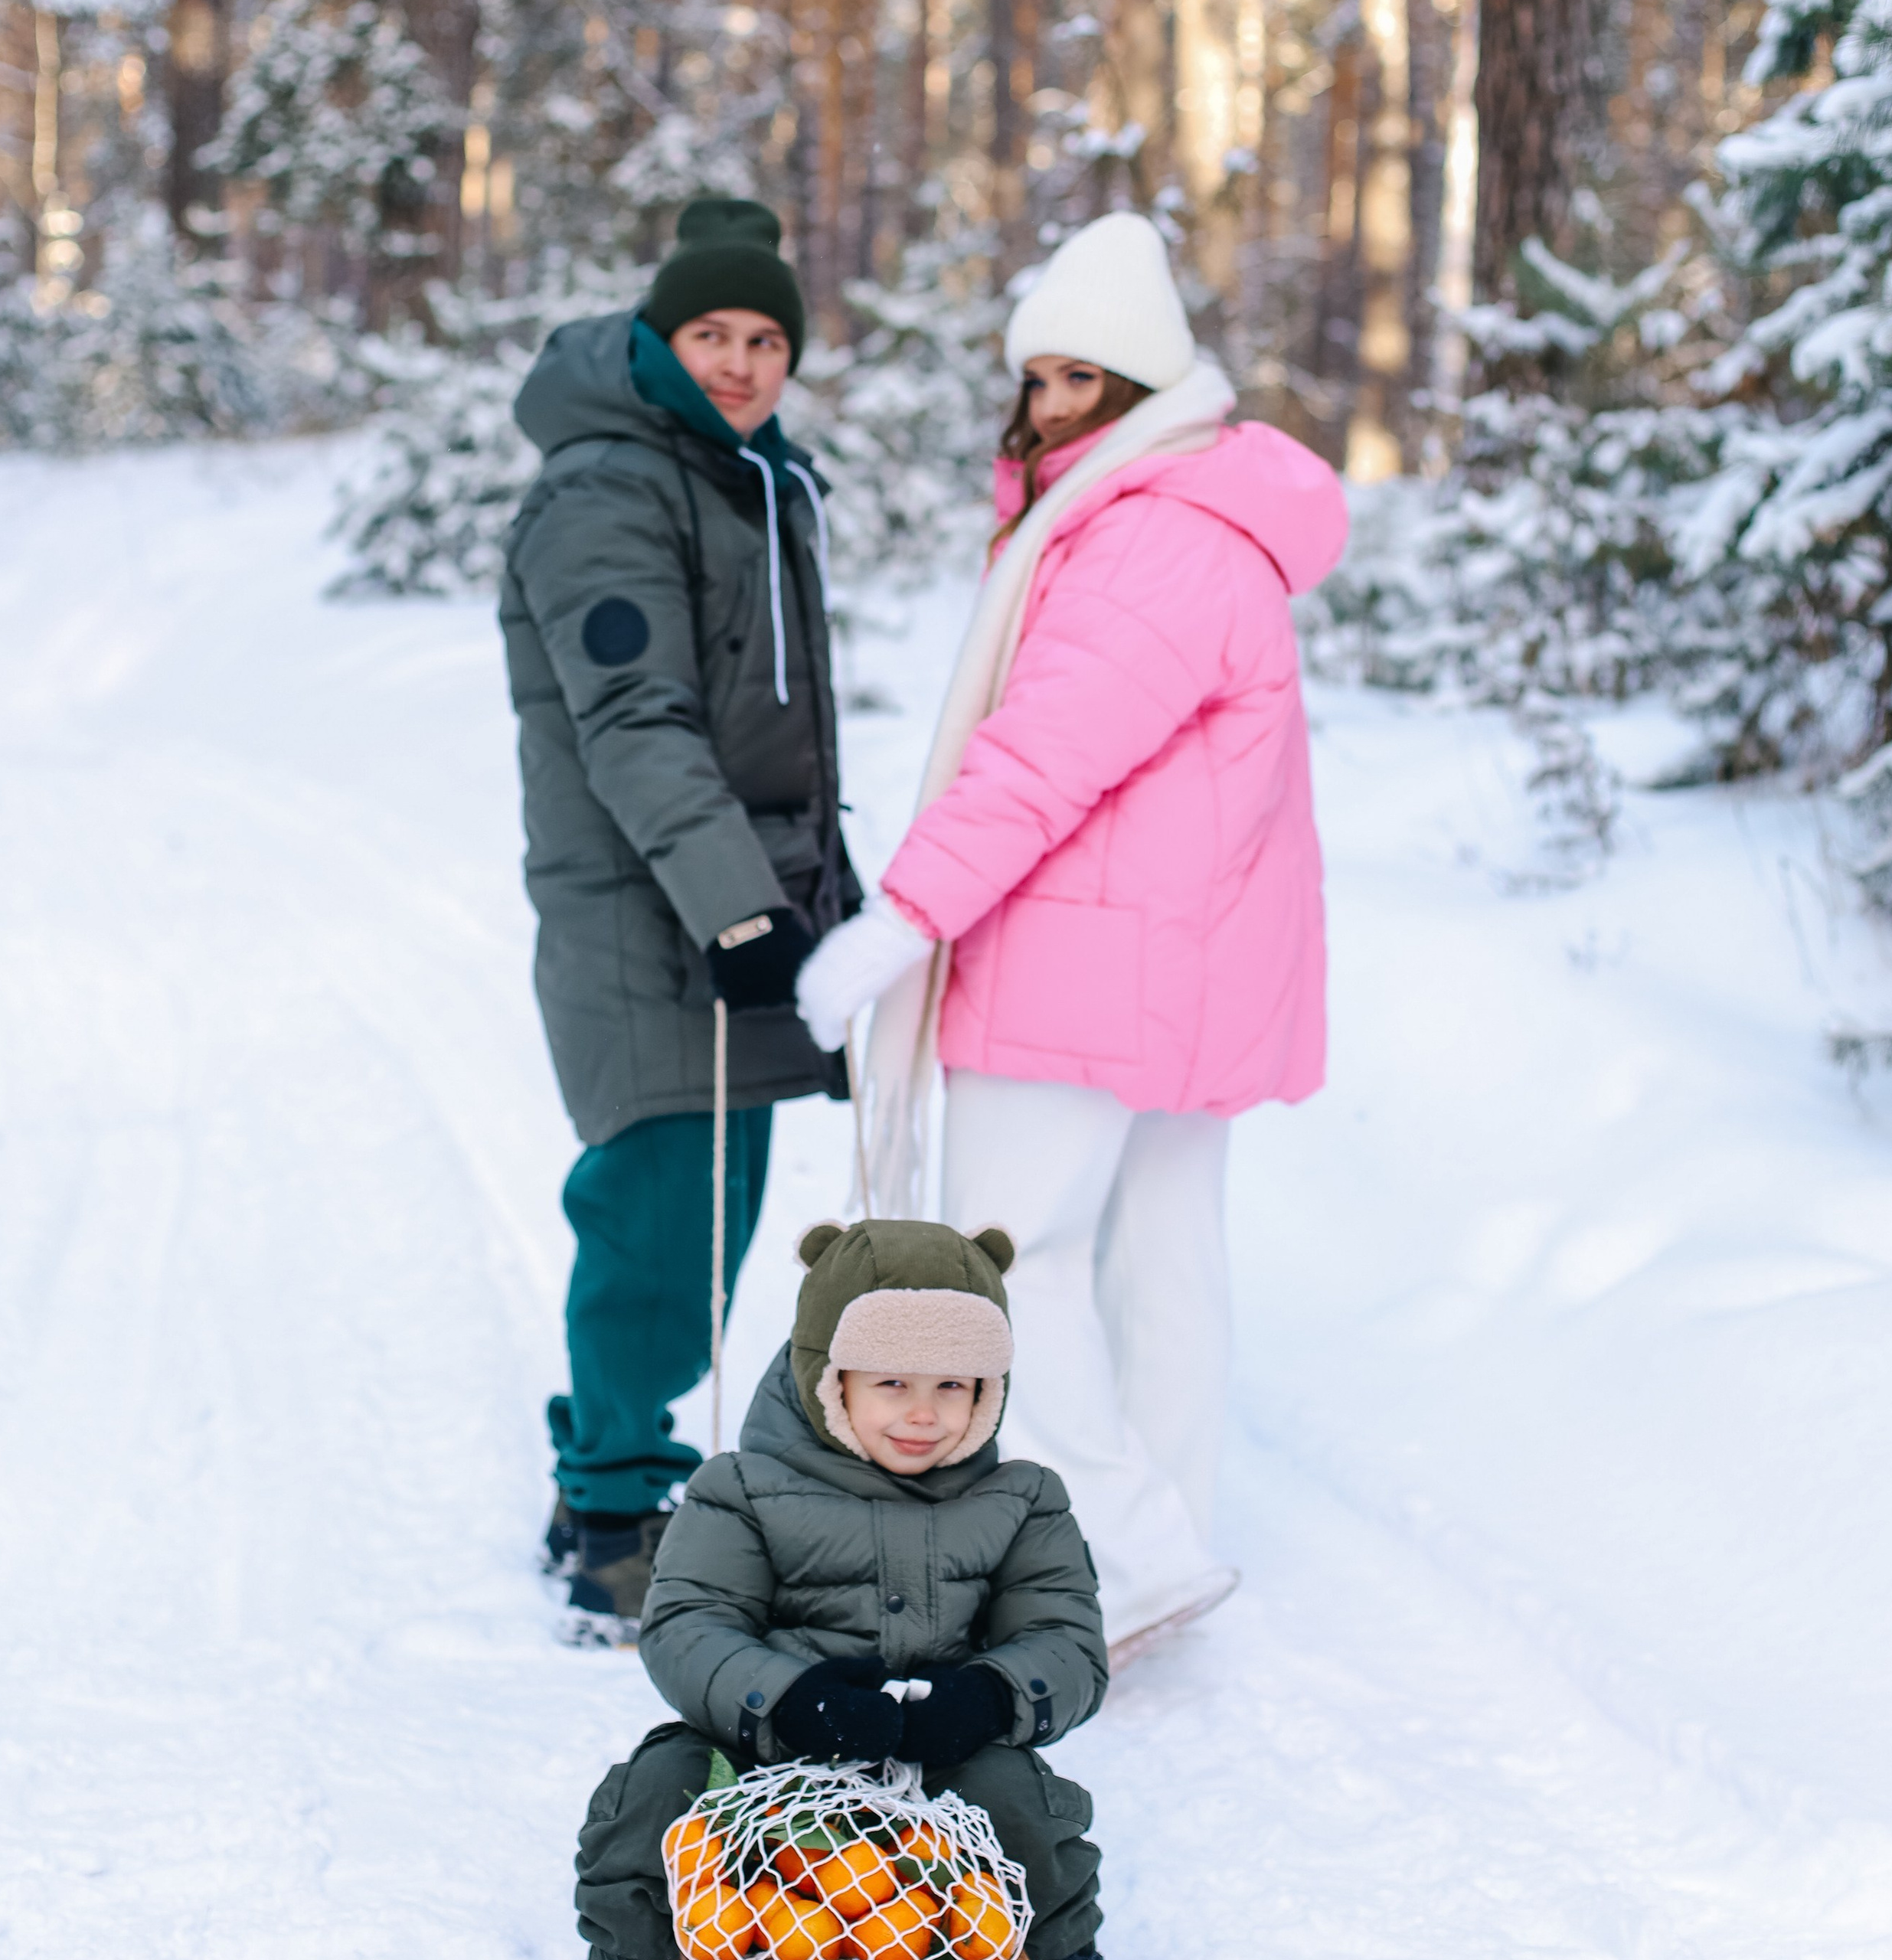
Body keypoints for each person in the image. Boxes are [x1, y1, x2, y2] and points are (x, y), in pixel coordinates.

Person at [795, 211, 1348, 1666]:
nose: (1045, 409)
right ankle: (1156, 1547)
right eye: (1034, 378)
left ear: (1142, 388)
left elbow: (1037, 760)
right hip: (1179, 966)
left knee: (1000, 1262)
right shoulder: (1196, 515)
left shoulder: (1148, 537)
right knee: (1158, 1256)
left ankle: (1129, 1550)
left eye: (1076, 382)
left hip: (1089, 967)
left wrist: (902, 919)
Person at [500, 197, 860, 1643]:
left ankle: (610, 1469)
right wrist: (736, 910)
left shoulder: (742, 477)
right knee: (656, 1216)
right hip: (654, 910)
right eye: (711, 333)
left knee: (713, 1217)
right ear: (657, 339)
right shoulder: (609, 487)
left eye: (766, 337)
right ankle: (609, 1521)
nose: (740, 361)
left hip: (731, 903)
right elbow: (636, 721)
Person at [570, 1218, 1105, 1960]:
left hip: (939, 1748)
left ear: (989, 1387)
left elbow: (1067, 1638)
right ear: (827, 1376)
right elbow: (688, 1624)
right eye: (892, 1382)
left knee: (1021, 1809)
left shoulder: (1022, 1500)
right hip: (765, 1740)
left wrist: (990, 1695)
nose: (923, 1413)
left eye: (952, 1384)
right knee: (657, 1796)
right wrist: (786, 1697)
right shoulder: (740, 1489)